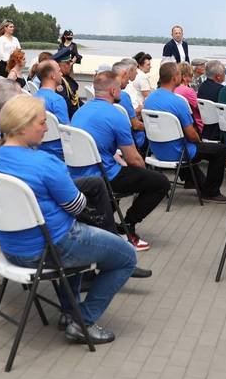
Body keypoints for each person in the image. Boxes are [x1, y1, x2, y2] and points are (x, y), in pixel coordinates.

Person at [0, 95, 137, 345]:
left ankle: (69, 311)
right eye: (42, 123)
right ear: (22, 127)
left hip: (12, 247)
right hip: (48, 248)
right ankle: (82, 321)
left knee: (75, 235)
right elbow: (77, 205)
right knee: (127, 257)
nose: (46, 128)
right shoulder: (45, 162)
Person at [68, 71, 169, 251]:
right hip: (104, 177)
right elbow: (133, 159)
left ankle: (106, 222)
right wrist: (144, 173)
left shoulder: (80, 112)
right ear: (114, 91)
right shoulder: (115, 115)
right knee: (160, 182)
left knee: (125, 171)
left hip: (77, 174)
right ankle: (127, 225)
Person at [143, 62, 226, 202]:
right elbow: (191, 134)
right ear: (174, 78)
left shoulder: (149, 99)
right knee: (219, 150)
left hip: (156, 150)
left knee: (187, 144)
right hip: (178, 152)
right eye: (179, 74)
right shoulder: (178, 102)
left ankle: (194, 182)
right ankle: (211, 192)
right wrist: (199, 141)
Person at [33, 59, 69, 158]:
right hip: (58, 152)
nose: (61, 74)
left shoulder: (34, 97)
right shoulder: (57, 100)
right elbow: (67, 131)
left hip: (38, 147)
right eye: (59, 71)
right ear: (53, 75)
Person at [173, 61, 203, 133]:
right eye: (191, 75)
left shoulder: (172, 88)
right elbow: (200, 108)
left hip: (178, 122)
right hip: (193, 124)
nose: (192, 77)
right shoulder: (188, 91)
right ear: (184, 77)